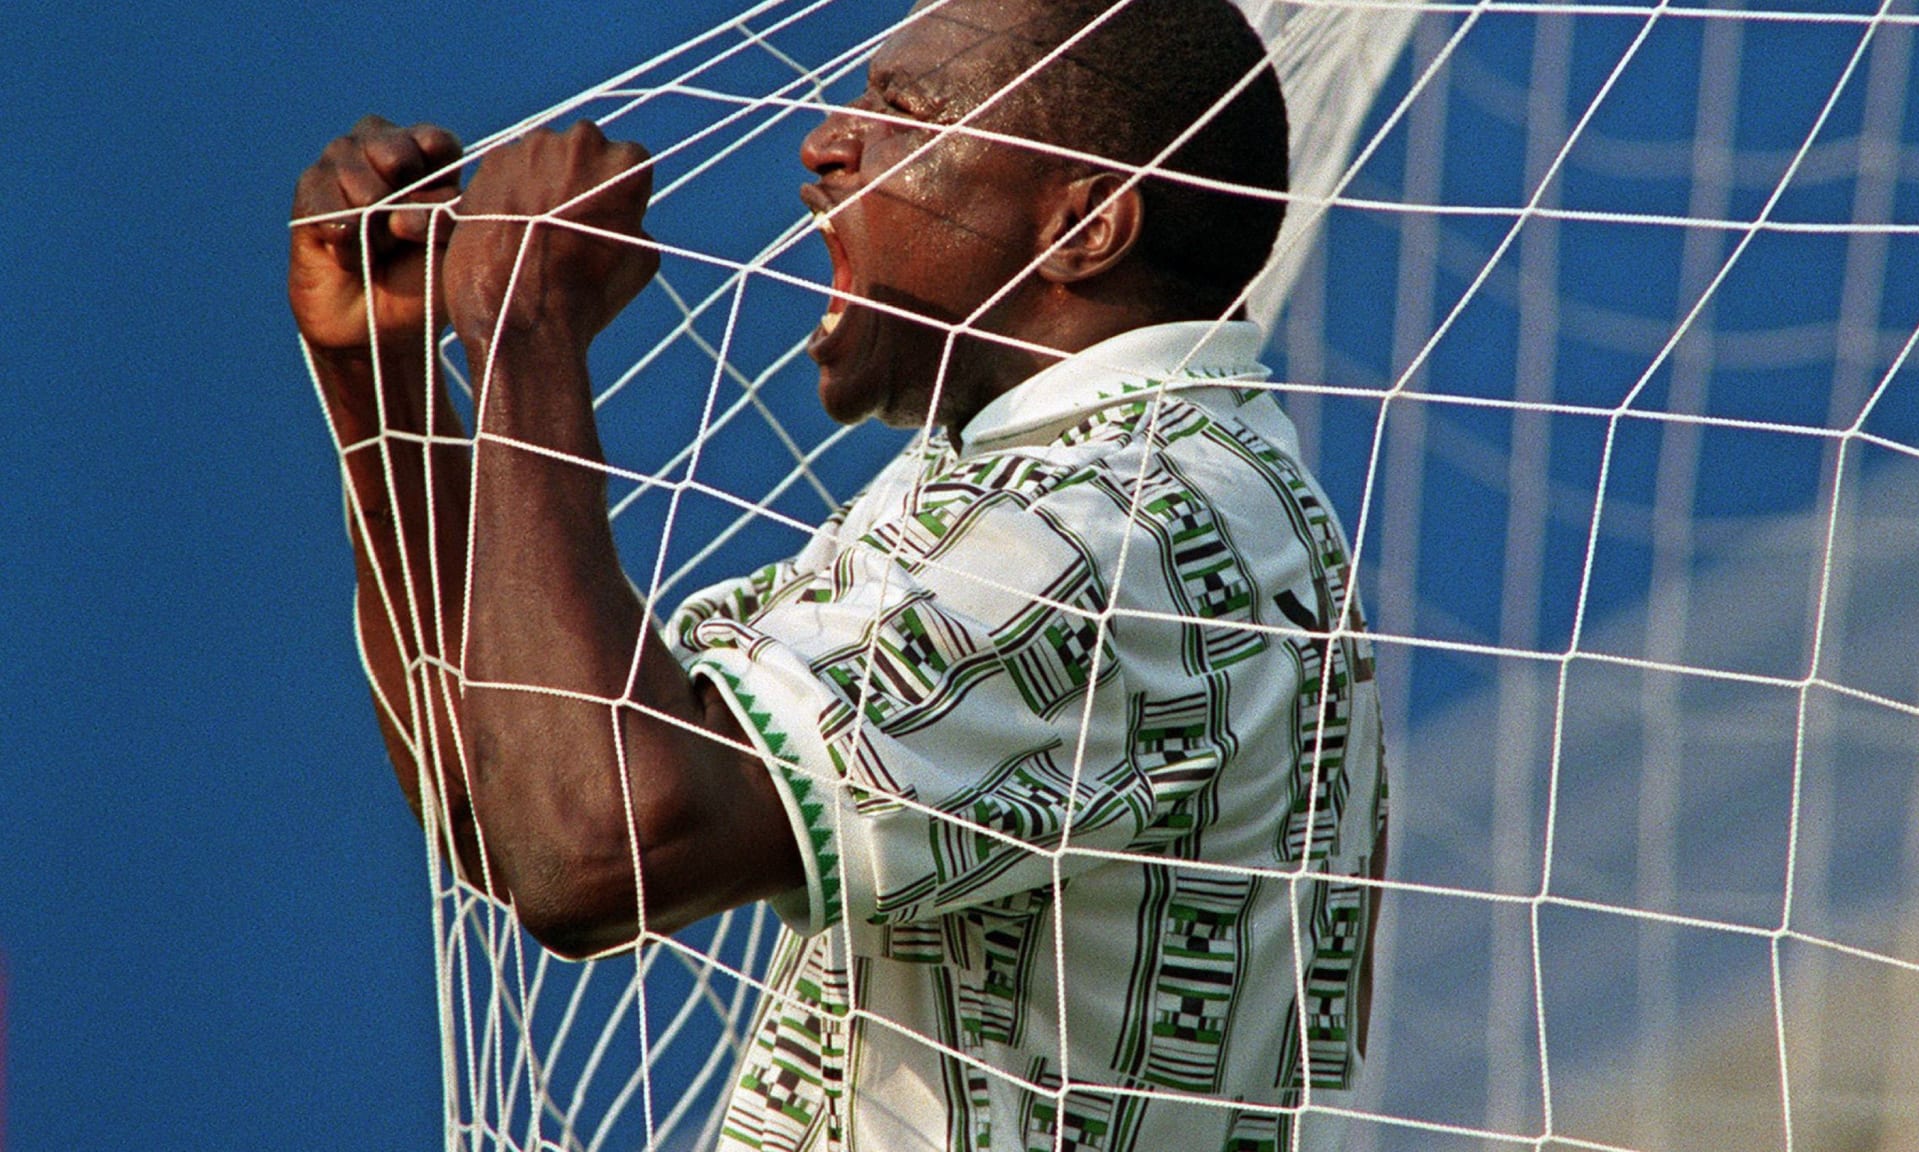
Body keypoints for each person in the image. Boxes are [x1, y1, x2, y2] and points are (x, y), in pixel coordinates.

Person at [289, 0, 1387, 1147]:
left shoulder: (1113, 532)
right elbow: (510, 793)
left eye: (899, 111)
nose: (823, 141)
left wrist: (524, 336)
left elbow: (591, 845)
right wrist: (385, 383)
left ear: (1082, 230)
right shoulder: (1056, 488)